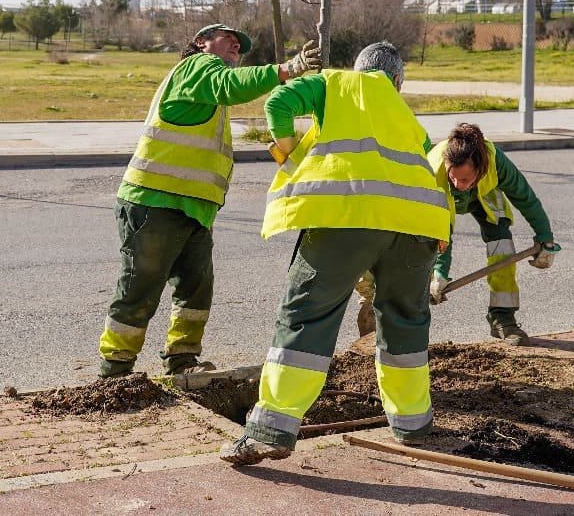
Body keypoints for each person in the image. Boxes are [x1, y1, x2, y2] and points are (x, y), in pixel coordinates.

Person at [220, 41, 447, 467]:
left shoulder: (334, 82)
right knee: (405, 320)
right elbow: (429, 163)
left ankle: (272, 429)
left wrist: (287, 151)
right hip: (418, 224)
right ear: (397, 82)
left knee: (308, 315)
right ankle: (413, 426)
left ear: (358, 68)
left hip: (348, 214)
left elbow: (279, 102)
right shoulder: (407, 118)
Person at [99, 23, 319, 378]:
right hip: (156, 201)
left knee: (195, 289)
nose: (236, 44)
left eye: (240, 44)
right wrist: (288, 69)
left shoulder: (207, 92)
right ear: (201, 43)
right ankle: (115, 369)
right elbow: (231, 85)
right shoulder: (198, 68)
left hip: (192, 207)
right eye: (227, 38)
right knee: (141, 286)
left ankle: (182, 361)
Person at [428, 122, 559, 345]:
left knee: (502, 245)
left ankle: (502, 318)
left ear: (480, 168)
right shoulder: (434, 170)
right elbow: (440, 231)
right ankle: (416, 313)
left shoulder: (495, 161)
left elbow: (525, 198)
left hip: (484, 194)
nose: (459, 184)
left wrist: (545, 236)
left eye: (465, 179)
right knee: (427, 246)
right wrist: (439, 273)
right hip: (439, 204)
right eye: (454, 178)